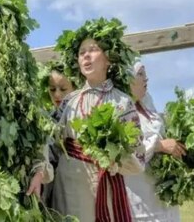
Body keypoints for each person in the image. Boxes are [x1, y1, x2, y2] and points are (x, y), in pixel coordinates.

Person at [53, 18, 146, 222]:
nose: (86, 55)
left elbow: (138, 157)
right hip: (69, 187)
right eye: (81, 52)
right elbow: (53, 144)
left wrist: (115, 159)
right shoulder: (69, 101)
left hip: (106, 186)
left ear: (108, 59)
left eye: (93, 49)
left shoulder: (123, 103)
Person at [125, 60, 184, 221]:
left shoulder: (147, 106)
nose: (146, 79)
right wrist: (159, 146)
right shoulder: (122, 109)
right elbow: (127, 150)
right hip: (138, 195)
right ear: (127, 78)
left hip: (159, 195)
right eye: (140, 74)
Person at [26, 62, 75, 208]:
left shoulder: (81, 116)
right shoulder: (46, 118)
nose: (57, 94)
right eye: (52, 89)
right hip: (51, 187)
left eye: (63, 89)